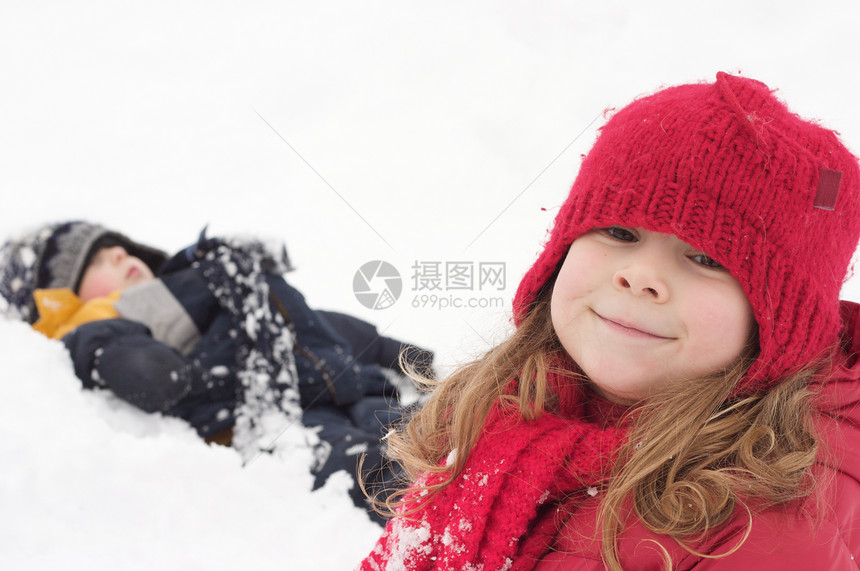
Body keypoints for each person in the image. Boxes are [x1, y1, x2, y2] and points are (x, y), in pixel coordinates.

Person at [358, 72, 860, 569]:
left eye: (707, 259)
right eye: (619, 231)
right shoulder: (512, 411)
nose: (640, 276)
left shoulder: (763, 535)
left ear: (779, 328)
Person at [0, 221, 434, 525]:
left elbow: (319, 325)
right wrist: (135, 361)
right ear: (58, 299)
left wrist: (396, 354)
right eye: (93, 262)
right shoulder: (98, 324)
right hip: (276, 426)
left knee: (443, 431)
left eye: (116, 245)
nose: (117, 251)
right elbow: (150, 375)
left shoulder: (209, 284)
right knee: (383, 476)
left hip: (354, 397)